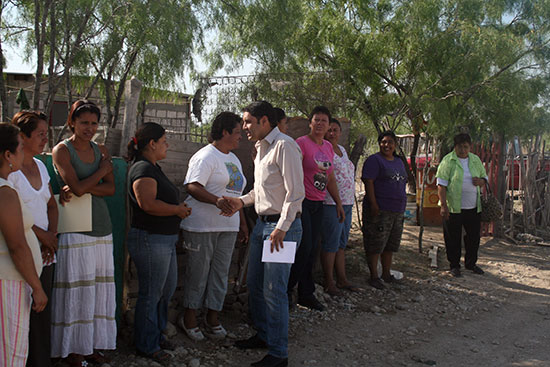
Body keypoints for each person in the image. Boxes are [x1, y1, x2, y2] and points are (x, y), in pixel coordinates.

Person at [224, 101, 304, 367]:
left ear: (264, 121)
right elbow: (262, 192)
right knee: (256, 286)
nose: (244, 127)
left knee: (274, 290)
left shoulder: (285, 146)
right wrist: (240, 202)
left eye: (248, 121)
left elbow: (295, 194)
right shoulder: (260, 149)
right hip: (262, 226)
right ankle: (264, 335)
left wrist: (282, 227)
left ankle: (279, 353)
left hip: (282, 229)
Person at [51, 99, 116, 366]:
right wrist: (99, 173)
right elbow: (75, 188)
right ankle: (72, 350)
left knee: (97, 290)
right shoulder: (61, 150)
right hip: (75, 227)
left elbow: (110, 189)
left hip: (101, 225)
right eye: (84, 123)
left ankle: (90, 346)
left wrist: (83, 186)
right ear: (72, 123)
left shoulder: (99, 148)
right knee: (76, 290)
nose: (89, 128)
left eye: (94, 123)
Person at [126, 122, 192, 363]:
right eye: (164, 141)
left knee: (164, 291)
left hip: (163, 240)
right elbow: (148, 204)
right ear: (151, 144)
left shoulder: (153, 167)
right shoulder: (143, 169)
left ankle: (156, 334)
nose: (167, 145)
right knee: (151, 293)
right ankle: (146, 344)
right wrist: (176, 210)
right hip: (150, 240)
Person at [179, 112, 247, 341]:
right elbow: (192, 187)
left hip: (228, 226)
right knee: (198, 274)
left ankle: (212, 318)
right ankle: (189, 318)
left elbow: (236, 195)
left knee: (220, 274)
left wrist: (243, 225)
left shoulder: (234, 159)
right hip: (202, 226)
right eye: (237, 132)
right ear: (225, 132)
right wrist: (216, 201)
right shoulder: (205, 156)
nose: (241, 136)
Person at [9, 111, 58, 367]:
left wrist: (52, 238)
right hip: (24, 251)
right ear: (22, 137)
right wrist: (44, 237)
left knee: (41, 313)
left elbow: (51, 205)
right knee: (19, 315)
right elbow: (16, 218)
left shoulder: (41, 166)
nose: (45, 139)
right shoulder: (11, 174)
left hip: (46, 252)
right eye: (40, 134)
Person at [288, 106, 345, 310]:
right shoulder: (301, 144)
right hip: (302, 203)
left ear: (329, 125)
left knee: (312, 249)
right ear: (310, 123)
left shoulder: (328, 147)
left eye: (324, 120)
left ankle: (306, 293)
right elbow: (292, 172)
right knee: (303, 249)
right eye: (316, 120)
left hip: (319, 203)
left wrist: (338, 202)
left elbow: (329, 177)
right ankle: (287, 290)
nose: (320, 123)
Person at [0, 122, 47, 367]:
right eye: (19, 147)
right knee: (12, 353)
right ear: (8, 155)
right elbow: (17, 247)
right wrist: (36, 287)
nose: (22, 153)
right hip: (10, 283)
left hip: (9, 281)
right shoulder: (5, 192)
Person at [436, 133, 488, 277]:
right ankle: (454, 265)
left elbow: (485, 177)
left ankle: (471, 264)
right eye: (460, 147)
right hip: (453, 208)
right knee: (453, 237)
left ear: (470, 147)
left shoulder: (475, 160)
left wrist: (481, 181)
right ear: (455, 147)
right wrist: (443, 206)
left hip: (473, 207)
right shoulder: (448, 161)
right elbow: (441, 185)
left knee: (473, 237)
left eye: (466, 147)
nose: (463, 150)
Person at [361, 131, 407, 290]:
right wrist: (374, 205)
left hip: (397, 210)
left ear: (395, 145)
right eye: (384, 142)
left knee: (390, 244)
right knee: (375, 243)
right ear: (380, 143)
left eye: (390, 142)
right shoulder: (374, 161)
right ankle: (374, 275)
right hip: (380, 210)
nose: (387, 145)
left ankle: (386, 274)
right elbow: (369, 182)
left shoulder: (399, 162)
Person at [320, 118, 359, 295]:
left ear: (340, 133)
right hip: (331, 204)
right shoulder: (324, 151)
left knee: (341, 243)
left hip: (348, 202)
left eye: (335, 130)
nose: (332, 133)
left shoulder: (342, 150)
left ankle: (342, 279)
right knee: (330, 244)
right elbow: (327, 178)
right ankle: (329, 281)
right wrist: (337, 202)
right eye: (330, 130)